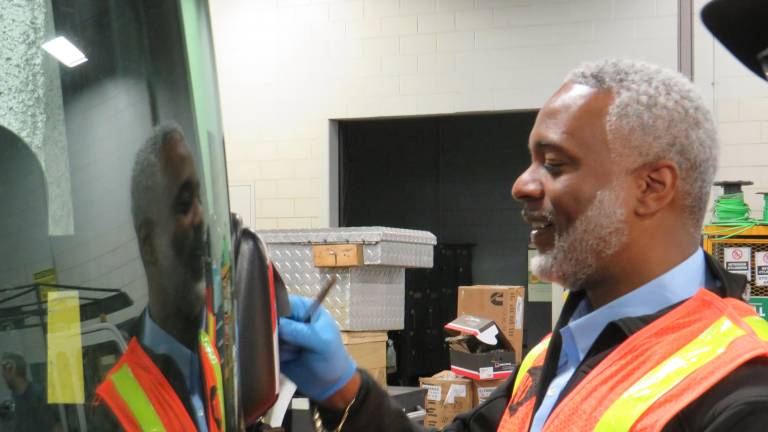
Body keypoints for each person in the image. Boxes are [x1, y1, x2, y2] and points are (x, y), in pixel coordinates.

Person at [278, 59, 768, 431]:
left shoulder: (741, 391)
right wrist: (343, 388)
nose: (522, 185)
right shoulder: (551, 356)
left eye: (554, 164)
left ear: (652, 187)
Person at [93, 125, 225, 431]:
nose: (202, 217)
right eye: (184, 204)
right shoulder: (113, 411)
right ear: (149, 243)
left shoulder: (213, 357)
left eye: (200, 200)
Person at [0, 352, 61, 432]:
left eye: (4, 371)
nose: (3, 375)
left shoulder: (39, 396)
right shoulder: (12, 401)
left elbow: (57, 428)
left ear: (12, 370)